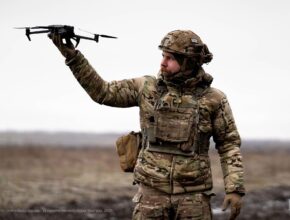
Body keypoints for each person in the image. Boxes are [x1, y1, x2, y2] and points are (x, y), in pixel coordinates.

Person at [50, 30, 245, 220]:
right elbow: (103, 92)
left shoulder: (214, 99)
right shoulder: (146, 88)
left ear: (188, 62)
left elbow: (228, 145)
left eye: (170, 58)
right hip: (151, 196)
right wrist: (74, 58)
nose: (162, 62)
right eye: (163, 56)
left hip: (193, 199)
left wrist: (234, 189)